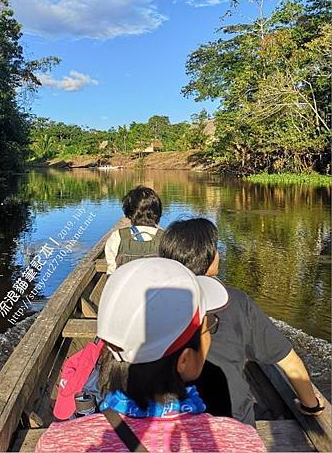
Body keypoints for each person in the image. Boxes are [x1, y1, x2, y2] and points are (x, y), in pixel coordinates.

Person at [35, 258, 266, 452]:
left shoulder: (56, 442)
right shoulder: (242, 442)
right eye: (209, 326)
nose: (210, 333)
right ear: (184, 360)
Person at [159, 218, 325, 425]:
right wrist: (312, 405)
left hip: (167, 420)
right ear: (209, 258)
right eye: (216, 249)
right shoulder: (236, 301)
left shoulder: (155, 304)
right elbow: (291, 364)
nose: (219, 255)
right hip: (235, 421)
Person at [105, 185, 163, 274]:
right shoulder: (165, 238)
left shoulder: (117, 236)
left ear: (129, 213)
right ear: (158, 213)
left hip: (125, 286)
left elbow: (111, 270)